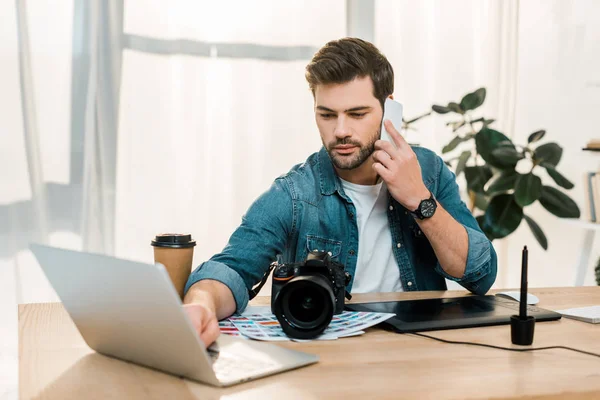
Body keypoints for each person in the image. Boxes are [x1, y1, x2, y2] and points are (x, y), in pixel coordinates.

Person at [182, 37, 497, 346]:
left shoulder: (428, 172)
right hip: (331, 358)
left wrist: (420, 200)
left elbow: (480, 275)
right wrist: (201, 304)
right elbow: (230, 268)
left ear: (389, 109)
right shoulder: (294, 194)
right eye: (327, 115)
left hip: (417, 355)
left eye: (357, 114)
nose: (341, 130)